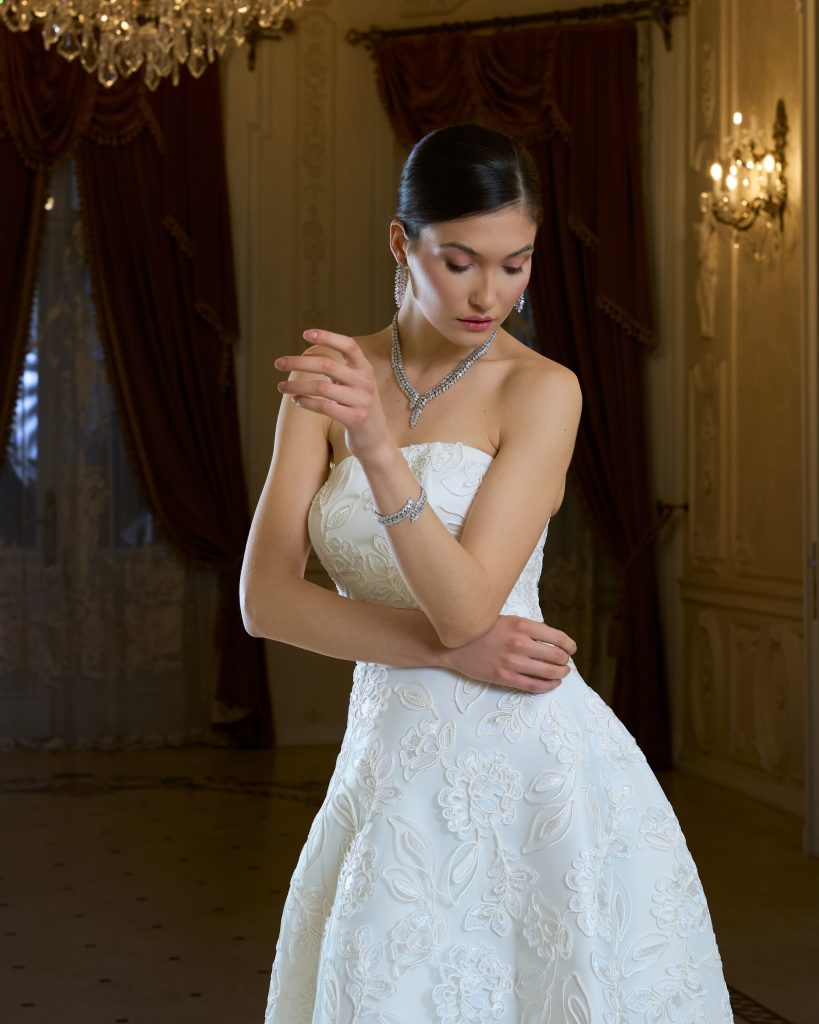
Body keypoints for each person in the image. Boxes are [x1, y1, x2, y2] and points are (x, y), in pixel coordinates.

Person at [241, 124, 734, 1024]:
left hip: (527, 754)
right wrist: (441, 655)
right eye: (461, 260)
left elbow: (470, 608)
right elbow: (265, 601)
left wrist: (380, 453)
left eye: (517, 264)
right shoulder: (331, 380)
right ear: (402, 241)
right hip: (389, 751)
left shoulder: (541, 389)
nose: (489, 293)